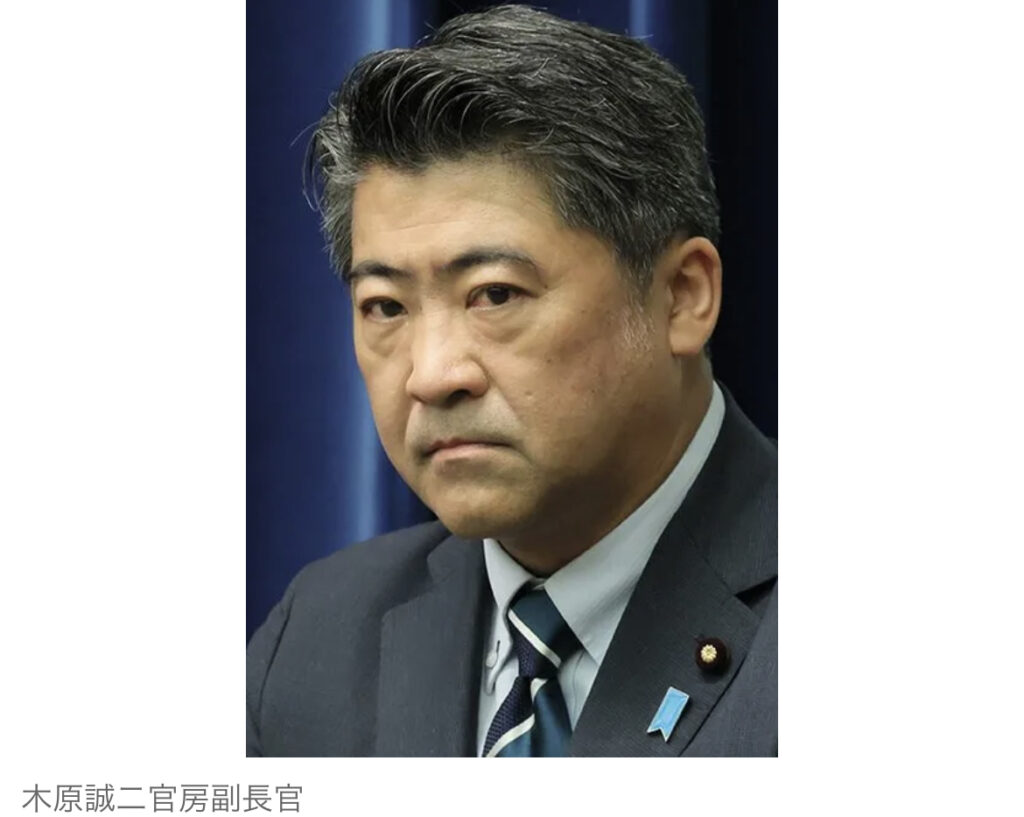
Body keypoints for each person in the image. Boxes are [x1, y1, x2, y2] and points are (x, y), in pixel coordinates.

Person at [247, 4, 776, 757]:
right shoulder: (318, 634)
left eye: (494, 294)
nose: (433, 376)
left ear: (681, 296)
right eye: (386, 306)